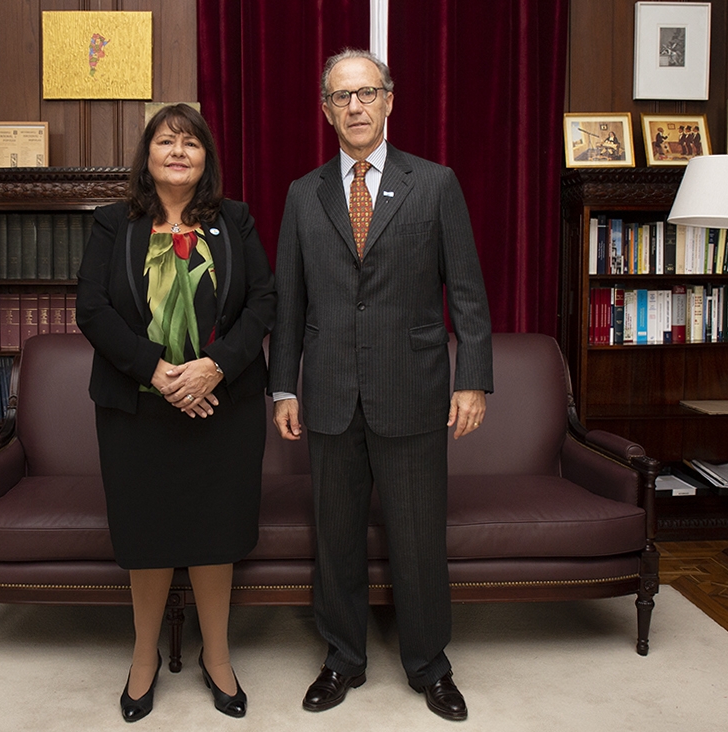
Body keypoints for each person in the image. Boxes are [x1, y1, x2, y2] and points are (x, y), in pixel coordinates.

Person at [267, 49, 493, 722]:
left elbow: (470, 295)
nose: (355, 107)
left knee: (418, 539)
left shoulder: (435, 184)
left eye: (367, 93)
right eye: (342, 97)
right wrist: (284, 389)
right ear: (326, 110)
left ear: (390, 101)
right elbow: (288, 307)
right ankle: (342, 659)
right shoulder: (303, 195)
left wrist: (473, 380)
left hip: (414, 390)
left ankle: (430, 666)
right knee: (335, 539)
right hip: (330, 396)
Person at [76, 103, 276, 723]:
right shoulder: (114, 224)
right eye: (166, 142)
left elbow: (264, 301)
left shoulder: (235, 220)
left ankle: (218, 657)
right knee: (149, 538)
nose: (179, 152)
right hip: (139, 412)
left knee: (216, 535)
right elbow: (93, 308)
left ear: (206, 159)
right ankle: (143, 660)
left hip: (223, 406)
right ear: (148, 156)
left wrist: (214, 365)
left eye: (191, 143)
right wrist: (156, 370)